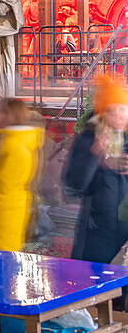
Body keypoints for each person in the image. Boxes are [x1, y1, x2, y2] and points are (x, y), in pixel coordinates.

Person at [64, 74, 128, 262]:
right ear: (102, 113)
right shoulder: (87, 139)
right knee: (94, 284)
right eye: (111, 110)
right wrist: (93, 155)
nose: (118, 115)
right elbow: (72, 184)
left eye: (123, 108)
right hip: (97, 234)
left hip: (125, 235)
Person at [0, 98, 44, 251]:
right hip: (3, 212)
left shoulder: (14, 145)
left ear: (9, 116)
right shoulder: (10, 140)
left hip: (3, 215)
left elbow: (3, 185)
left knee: (2, 265)